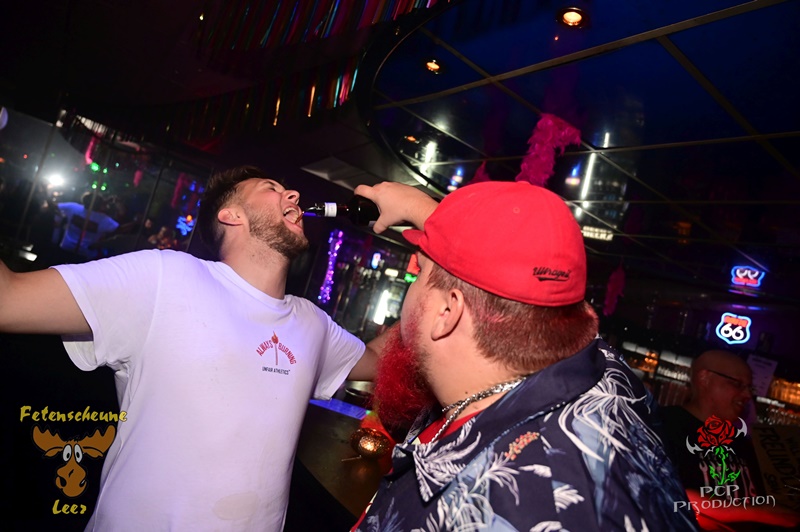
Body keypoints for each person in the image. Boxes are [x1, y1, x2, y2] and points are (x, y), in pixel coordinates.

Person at [0, 165, 388, 530]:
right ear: (232, 216)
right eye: (270, 188)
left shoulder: (313, 324)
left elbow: (378, 361)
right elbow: (9, 301)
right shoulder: (167, 277)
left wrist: (425, 243)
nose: (294, 194)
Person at [351, 179, 699, 531]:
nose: (412, 278)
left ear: (447, 312)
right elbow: (528, 275)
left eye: (419, 271)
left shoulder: (499, 510)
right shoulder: (610, 381)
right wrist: (426, 213)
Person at [660, 350, 800, 530]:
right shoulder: (664, 425)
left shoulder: (743, 443)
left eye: (750, 388)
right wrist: (759, 512)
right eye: (737, 384)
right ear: (704, 378)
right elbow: (665, 494)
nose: (747, 395)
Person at [53, 191, 120, 258]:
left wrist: (59, 220)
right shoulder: (105, 220)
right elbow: (119, 229)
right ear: (100, 205)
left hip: (66, 246)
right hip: (86, 254)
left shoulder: (73, 207)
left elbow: (55, 206)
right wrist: (118, 204)